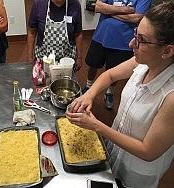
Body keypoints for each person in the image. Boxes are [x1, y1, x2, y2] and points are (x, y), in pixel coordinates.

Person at [66, 1, 174, 188]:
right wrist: (89, 95)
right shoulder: (143, 61)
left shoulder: (170, 96)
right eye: (135, 35)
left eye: (141, 40)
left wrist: (96, 126)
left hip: (137, 170)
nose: (132, 43)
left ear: (167, 51)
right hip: (115, 149)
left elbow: (148, 151)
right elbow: (109, 75)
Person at [83, 0, 151, 109]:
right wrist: (126, 10)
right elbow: (97, 6)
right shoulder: (127, 9)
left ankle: (109, 92)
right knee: (92, 64)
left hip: (123, 41)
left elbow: (137, 18)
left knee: (116, 70)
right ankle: (88, 85)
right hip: (101, 35)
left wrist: (109, 11)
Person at [27, 0, 83, 72]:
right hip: (44, 58)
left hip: (66, 60)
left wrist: (79, 58)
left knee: (65, 82)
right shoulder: (39, 3)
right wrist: (30, 58)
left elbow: (78, 34)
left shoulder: (75, 5)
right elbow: (31, 32)